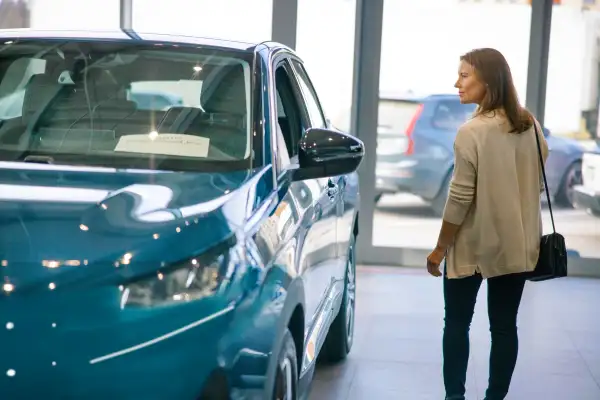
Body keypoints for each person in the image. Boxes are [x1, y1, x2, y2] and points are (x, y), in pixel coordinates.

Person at [426, 48, 549, 400]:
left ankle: (455, 397)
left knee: (457, 324)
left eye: (464, 75)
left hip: (473, 247)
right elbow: (537, 178)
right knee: (505, 327)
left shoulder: (472, 132)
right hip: (517, 243)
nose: (457, 82)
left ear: (489, 80)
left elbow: (460, 199)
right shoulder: (529, 124)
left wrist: (439, 248)